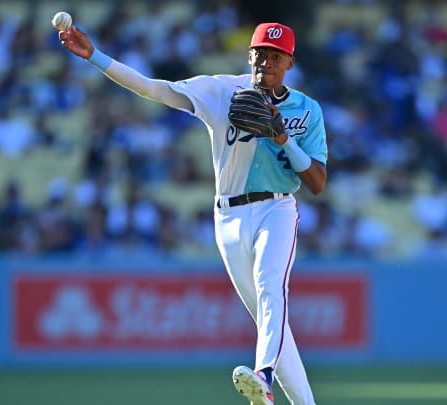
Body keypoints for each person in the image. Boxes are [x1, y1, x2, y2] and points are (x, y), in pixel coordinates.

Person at [58, 20, 327, 405]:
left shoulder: (306, 109)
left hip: (277, 208)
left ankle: (263, 377)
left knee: (272, 292)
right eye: (260, 55)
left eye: (275, 56)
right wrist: (97, 58)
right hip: (229, 217)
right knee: (272, 320)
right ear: (249, 55)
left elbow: (316, 181)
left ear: (289, 62)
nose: (266, 63)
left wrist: (283, 138)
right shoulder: (222, 90)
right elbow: (156, 89)